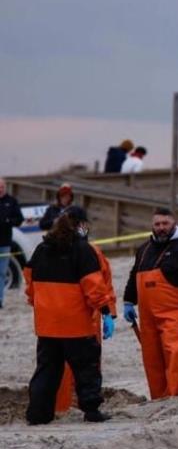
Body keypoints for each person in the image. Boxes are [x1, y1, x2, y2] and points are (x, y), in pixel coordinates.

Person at [24, 207, 116, 424]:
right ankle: (91, 410)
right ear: (81, 225)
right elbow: (93, 285)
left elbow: (29, 282)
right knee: (86, 369)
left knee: (46, 371)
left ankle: (38, 414)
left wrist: (39, 303)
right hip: (76, 324)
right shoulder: (83, 250)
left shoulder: (41, 249)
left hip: (47, 324)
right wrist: (106, 311)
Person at [122, 207, 178, 399]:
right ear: (152, 225)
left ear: (174, 223)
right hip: (147, 316)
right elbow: (134, 275)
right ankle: (158, 398)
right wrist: (128, 301)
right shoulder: (144, 249)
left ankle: (176, 396)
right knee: (152, 359)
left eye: (165, 224)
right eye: (157, 224)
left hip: (175, 313)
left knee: (174, 354)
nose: (161, 228)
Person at [51, 207, 117, 415]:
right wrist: (107, 312)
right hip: (84, 318)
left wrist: (109, 312)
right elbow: (101, 287)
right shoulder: (89, 252)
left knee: (60, 364)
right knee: (84, 365)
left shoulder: (47, 249)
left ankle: (64, 407)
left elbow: (105, 284)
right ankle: (78, 406)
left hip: (58, 318)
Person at [0, 177, 25, 309]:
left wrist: (8, 221)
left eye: (2, 187)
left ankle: (0, 300)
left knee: (2, 272)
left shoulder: (12, 201)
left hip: (5, 243)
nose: (0, 189)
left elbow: (19, 219)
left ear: (5, 187)